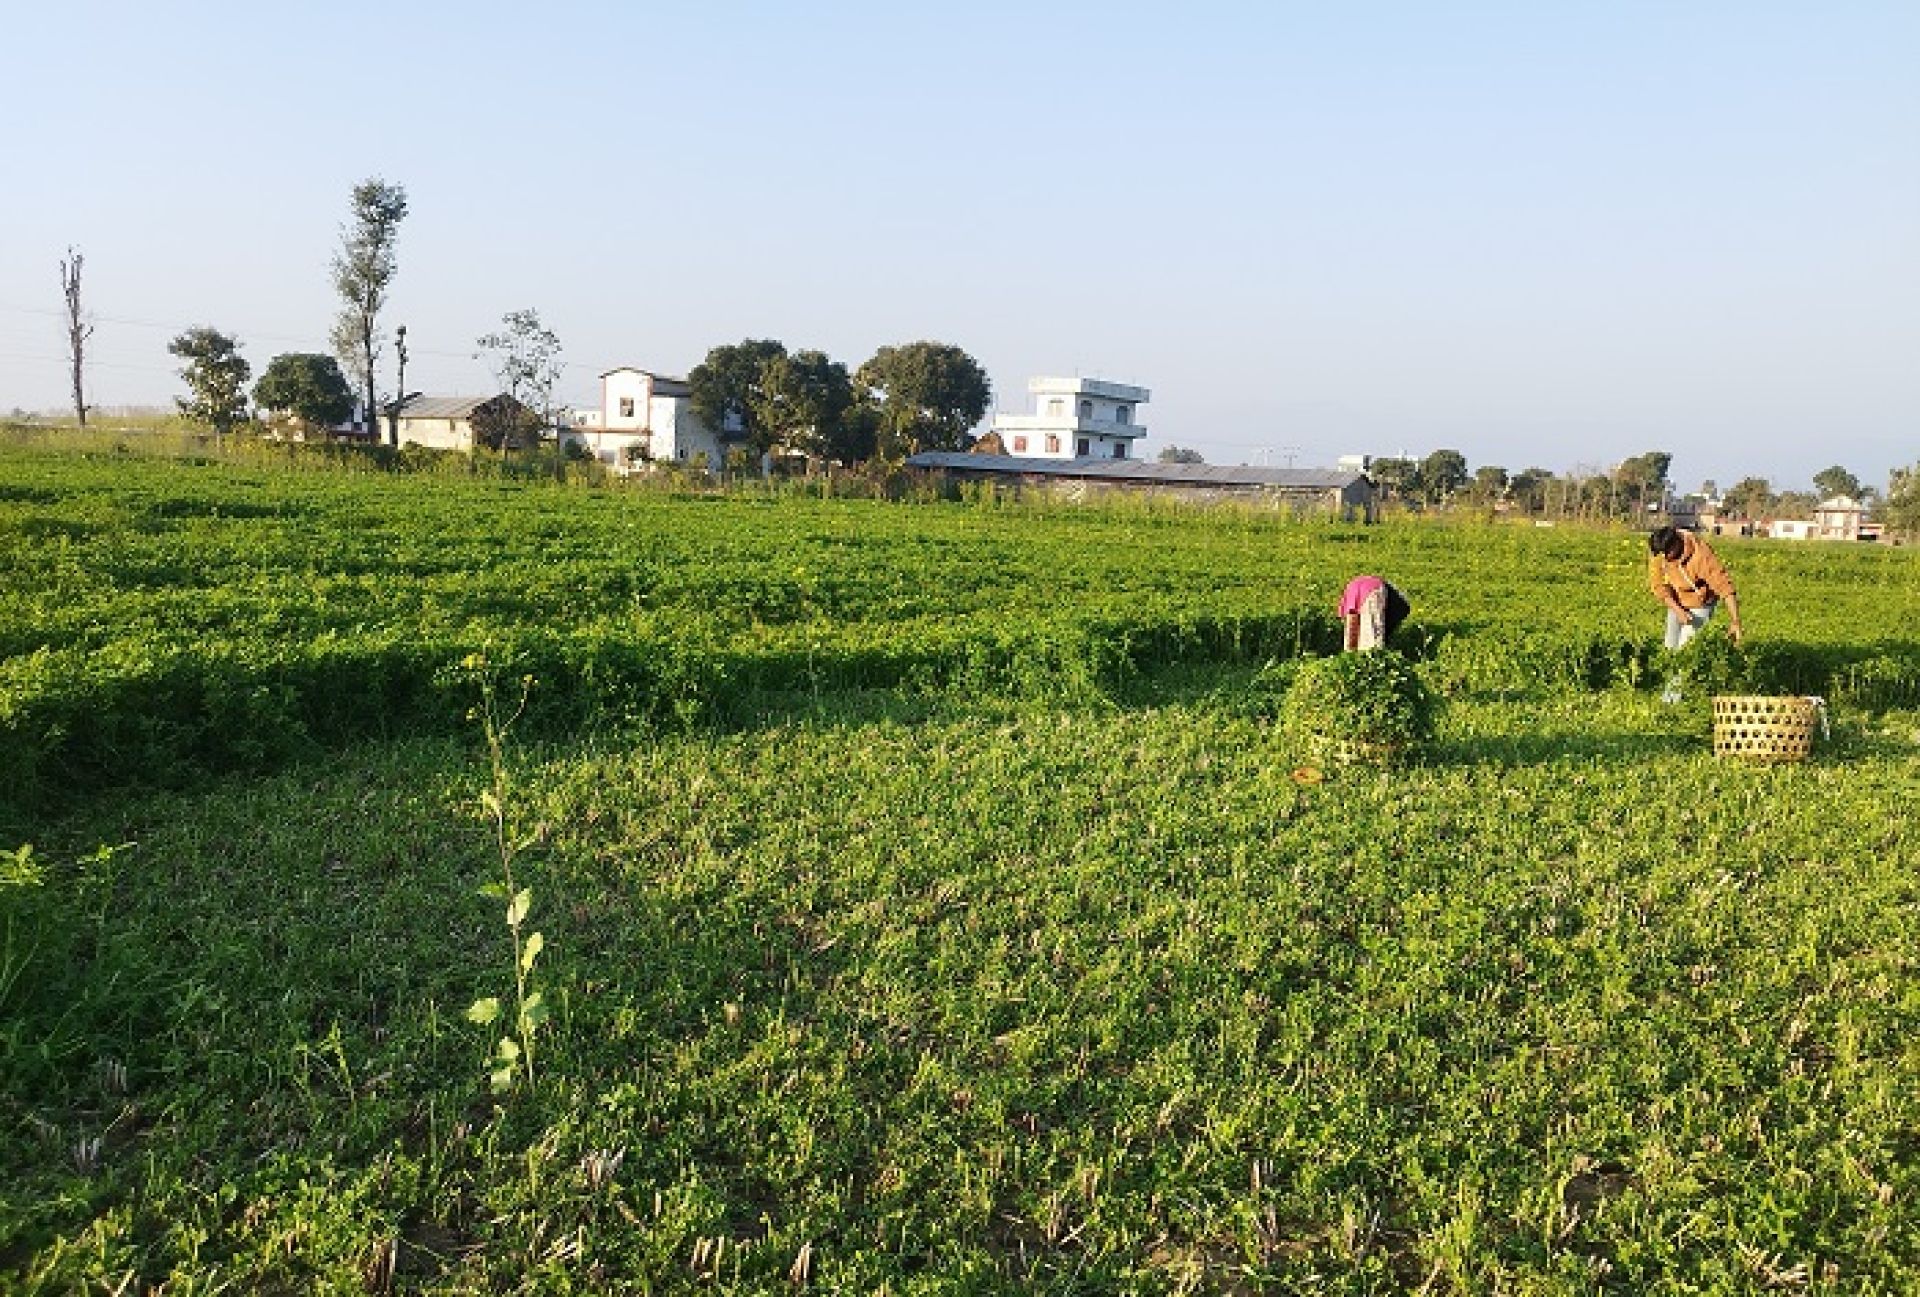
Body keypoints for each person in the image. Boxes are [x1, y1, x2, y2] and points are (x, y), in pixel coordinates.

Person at [1648, 525, 1742, 649]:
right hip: (1676, 600)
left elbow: (1723, 585)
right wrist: (1677, 609)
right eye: (1661, 554)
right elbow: (1658, 585)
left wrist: (1735, 621)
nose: (1664, 558)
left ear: (1676, 543)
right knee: (1669, 646)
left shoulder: (1700, 555)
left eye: (1667, 553)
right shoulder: (1660, 553)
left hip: (1700, 603)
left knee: (1686, 647)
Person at [1338, 575, 1410, 651]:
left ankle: (1371, 656)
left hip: (1372, 589)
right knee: (1372, 637)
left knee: (1371, 639)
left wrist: (1350, 650)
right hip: (1375, 589)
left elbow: (1351, 626)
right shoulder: (1349, 601)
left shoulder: (1347, 603)